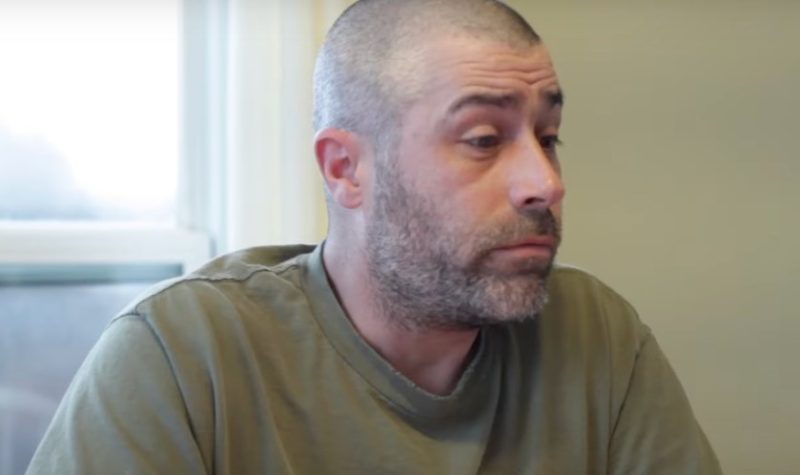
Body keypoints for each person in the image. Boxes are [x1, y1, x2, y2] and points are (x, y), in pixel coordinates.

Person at [27, 0, 722, 473]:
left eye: (549, 136)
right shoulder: (180, 358)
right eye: (484, 138)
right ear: (346, 169)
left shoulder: (599, 338)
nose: (545, 181)